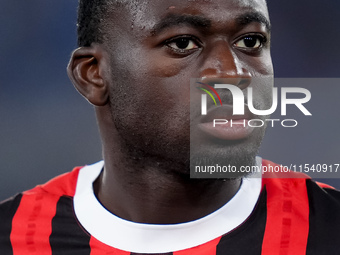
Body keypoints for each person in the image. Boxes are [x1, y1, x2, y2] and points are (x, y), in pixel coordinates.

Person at [1, 0, 340, 254]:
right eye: (182, 43)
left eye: (250, 42)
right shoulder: (13, 238)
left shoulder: (328, 232)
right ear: (93, 74)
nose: (231, 73)